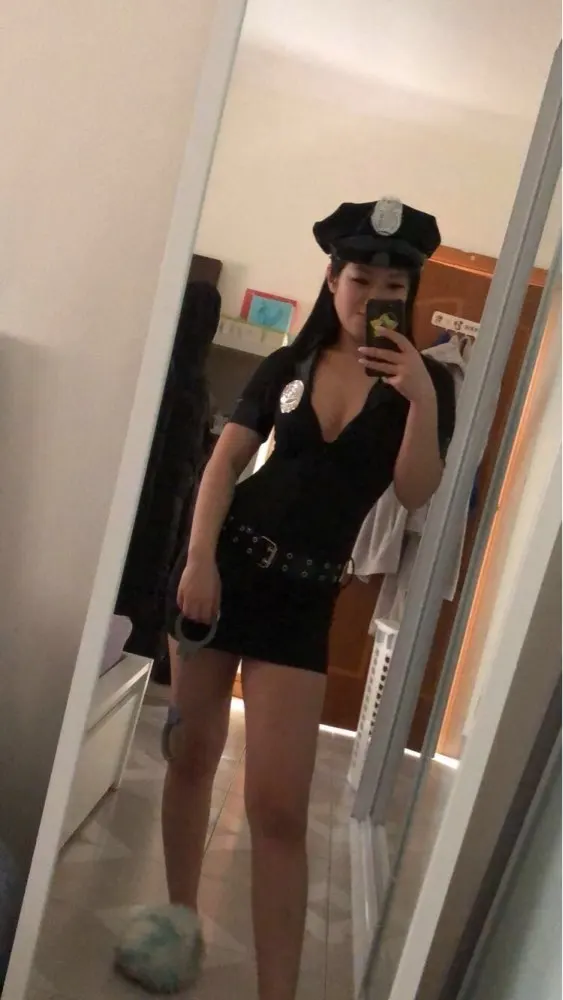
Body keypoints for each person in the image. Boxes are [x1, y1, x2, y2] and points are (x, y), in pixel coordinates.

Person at [115, 198, 456, 998]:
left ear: (407, 294)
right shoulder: (287, 367)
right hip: (224, 573)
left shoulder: (425, 383)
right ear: (332, 280)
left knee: (277, 810)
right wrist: (199, 559)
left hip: (305, 603)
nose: (373, 294)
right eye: (359, 277)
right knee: (190, 758)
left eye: (392, 284)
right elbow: (223, 467)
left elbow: (414, 492)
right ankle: (177, 925)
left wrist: (421, 399)